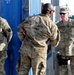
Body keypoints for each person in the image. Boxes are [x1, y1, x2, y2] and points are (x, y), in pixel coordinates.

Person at [17, 3, 60, 75]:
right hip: (39, 53)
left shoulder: (30, 19)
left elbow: (19, 30)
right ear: (50, 12)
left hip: (25, 50)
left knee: (22, 72)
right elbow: (54, 43)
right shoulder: (51, 25)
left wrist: (24, 41)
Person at [56, 7, 74, 75]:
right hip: (63, 52)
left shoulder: (73, 24)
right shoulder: (57, 26)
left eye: (64, 13)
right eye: (61, 14)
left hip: (73, 51)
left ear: (68, 14)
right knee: (63, 72)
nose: (62, 15)